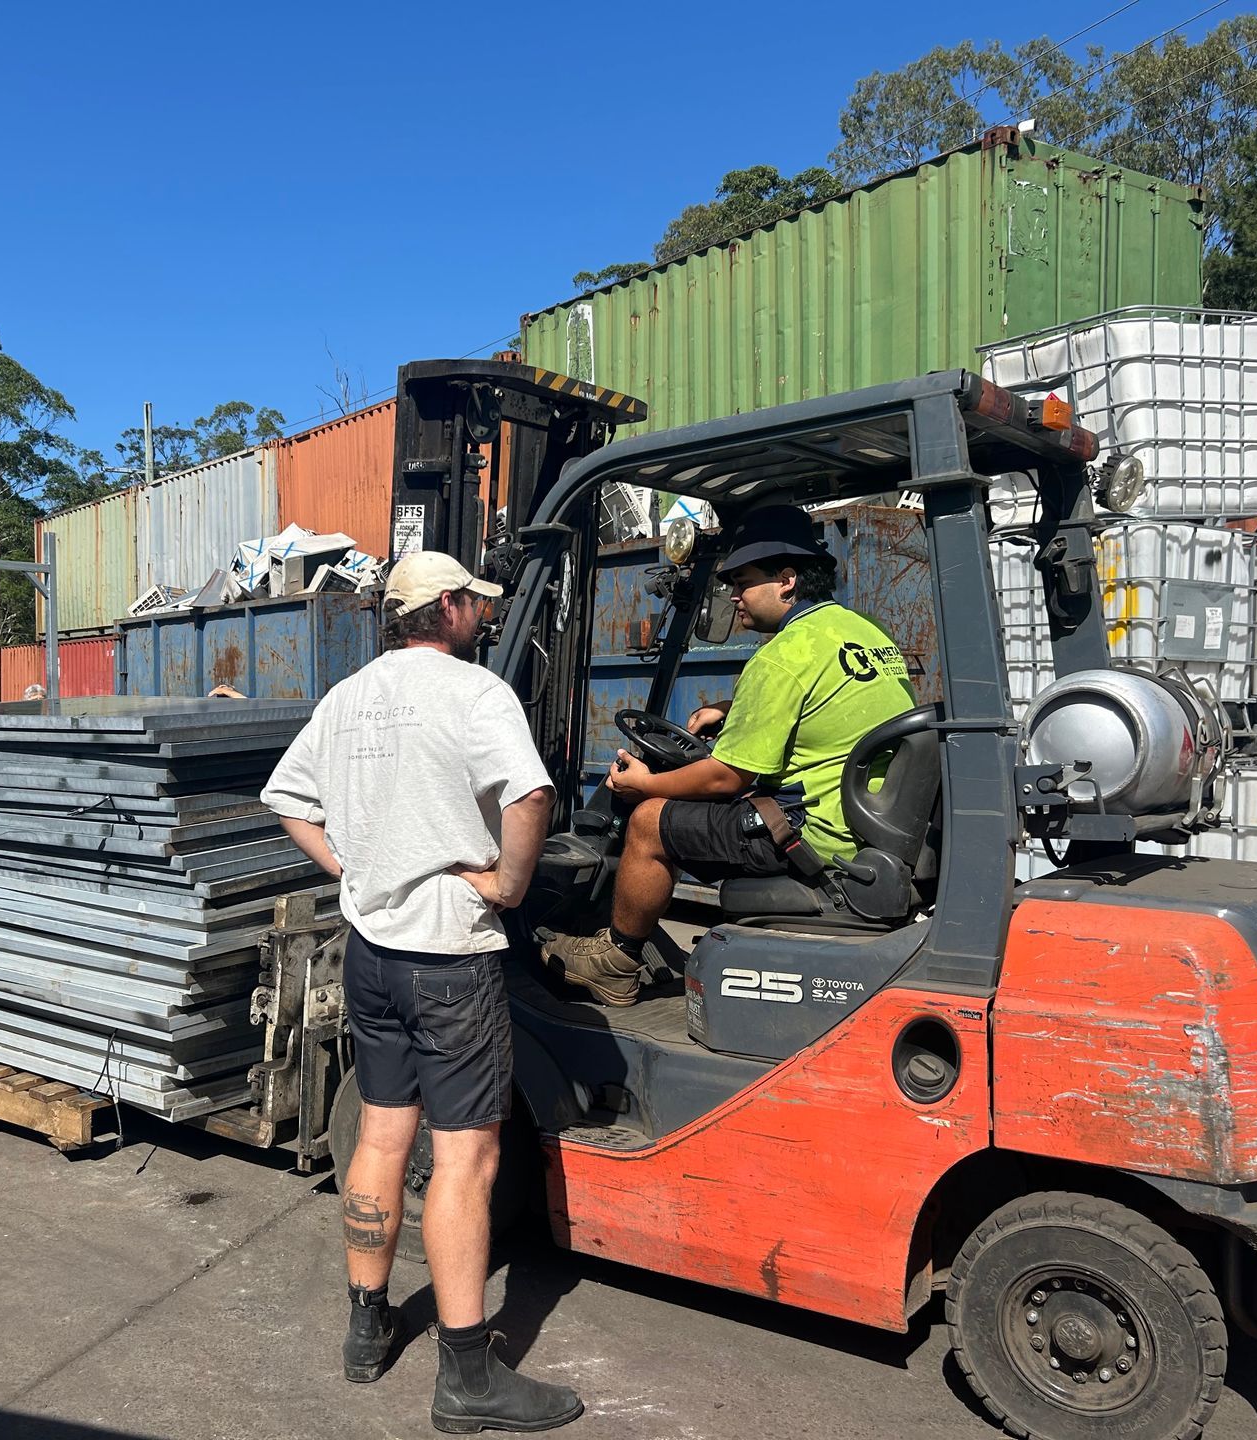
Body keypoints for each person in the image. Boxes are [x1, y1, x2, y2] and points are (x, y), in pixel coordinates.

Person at [261, 549, 582, 1435]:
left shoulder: (350, 695)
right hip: (447, 957)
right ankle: (469, 1374)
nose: (482, 613)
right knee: (467, 1158)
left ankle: (367, 1328)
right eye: (473, 602)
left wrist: (354, 865)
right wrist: (510, 886)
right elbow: (530, 794)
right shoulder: (475, 693)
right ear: (447, 608)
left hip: (370, 953)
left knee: (379, 1134)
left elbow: (287, 798)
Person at [543, 503, 915, 1006]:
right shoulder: (864, 634)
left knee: (650, 822)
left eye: (743, 582)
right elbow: (824, 698)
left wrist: (645, 785)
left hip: (811, 834)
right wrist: (729, 706)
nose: (734, 597)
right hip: (863, 823)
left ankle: (616, 961)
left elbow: (726, 778)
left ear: (786, 580)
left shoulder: (781, 658)